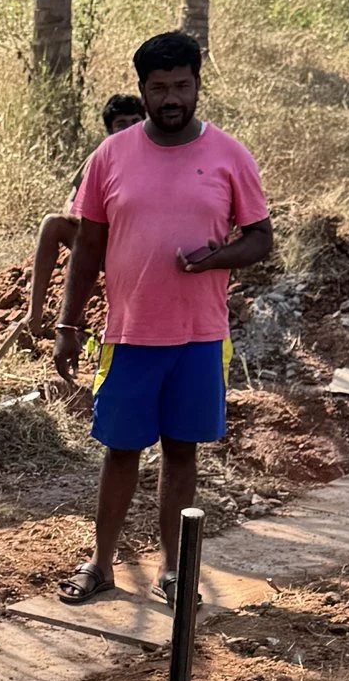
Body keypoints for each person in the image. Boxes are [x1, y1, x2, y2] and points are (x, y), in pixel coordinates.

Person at [50, 31, 271, 603]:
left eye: (181, 86)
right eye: (159, 88)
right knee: (120, 450)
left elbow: (260, 239)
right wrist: (68, 325)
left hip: (199, 337)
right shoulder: (111, 156)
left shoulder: (230, 156)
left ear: (198, 85)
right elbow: (88, 248)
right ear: (142, 91)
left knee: (181, 451)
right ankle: (100, 566)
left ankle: (175, 572)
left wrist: (216, 259)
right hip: (128, 334)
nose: (171, 98)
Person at [26, 93, 147, 342]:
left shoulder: (158, 158)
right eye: (121, 124)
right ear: (110, 131)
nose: (129, 129)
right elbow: (71, 203)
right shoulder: (99, 158)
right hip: (101, 244)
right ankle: (34, 318)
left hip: (143, 251)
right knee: (52, 224)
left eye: (135, 121)